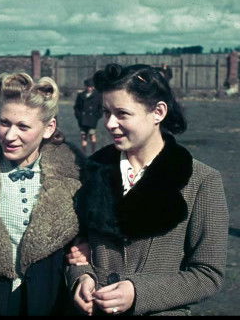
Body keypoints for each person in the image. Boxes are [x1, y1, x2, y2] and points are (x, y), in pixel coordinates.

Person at [66, 64, 229, 316]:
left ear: (158, 112)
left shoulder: (202, 181)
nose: (109, 123)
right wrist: (81, 277)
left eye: (122, 113)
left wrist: (137, 291)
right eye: (106, 112)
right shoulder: (91, 171)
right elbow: (78, 246)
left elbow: (208, 274)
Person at [0, 72, 83, 315]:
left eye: (23, 126)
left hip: (50, 302)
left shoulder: (76, 176)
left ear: (49, 128)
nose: (9, 136)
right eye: (4, 122)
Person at [74, 78, 103, 154]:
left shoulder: (98, 95)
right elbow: (77, 107)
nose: (89, 88)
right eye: (88, 86)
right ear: (85, 86)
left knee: (92, 136)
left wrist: (97, 117)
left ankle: (93, 153)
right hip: (82, 120)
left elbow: (100, 107)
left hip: (92, 120)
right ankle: (84, 154)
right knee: (83, 137)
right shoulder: (80, 95)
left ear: (93, 87)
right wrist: (79, 116)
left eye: (91, 86)